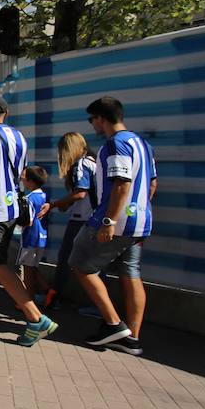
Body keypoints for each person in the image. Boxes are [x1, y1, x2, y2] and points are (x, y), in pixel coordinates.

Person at [70, 97, 156, 355]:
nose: (92, 125)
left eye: (92, 120)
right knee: (131, 273)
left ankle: (113, 324)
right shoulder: (143, 144)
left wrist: (109, 220)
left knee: (80, 263)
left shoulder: (116, 145)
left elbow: (121, 183)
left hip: (113, 222)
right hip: (140, 222)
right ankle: (132, 338)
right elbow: (151, 185)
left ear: (101, 118)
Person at [0, 95, 58, 345]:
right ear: (5, 113)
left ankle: (35, 317)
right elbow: (21, 172)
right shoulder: (20, 137)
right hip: (12, 209)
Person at [40, 132, 97, 308]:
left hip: (82, 220)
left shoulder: (81, 164)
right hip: (94, 218)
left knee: (66, 258)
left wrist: (56, 204)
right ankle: (98, 305)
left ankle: (54, 297)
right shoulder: (94, 163)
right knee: (91, 263)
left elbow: (80, 193)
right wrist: (66, 204)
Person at [18, 166, 51, 319]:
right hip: (42, 238)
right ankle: (48, 291)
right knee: (33, 267)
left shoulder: (29, 198)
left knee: (28, 271)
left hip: (30, 238)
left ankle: (27, 301)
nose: (22, 179)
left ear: (30, 181)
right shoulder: (44, 196)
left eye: (24, 177)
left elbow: (28, 222)